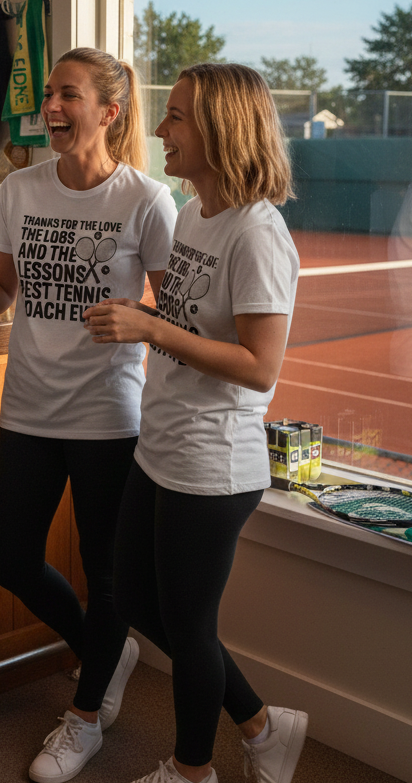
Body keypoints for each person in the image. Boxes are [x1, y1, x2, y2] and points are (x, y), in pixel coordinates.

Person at [0, 47, 177, 782]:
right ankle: (109, 649)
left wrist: (137, 314)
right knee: (12, 559)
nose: (54, 109)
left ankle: (85, 716)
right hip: (30, 409)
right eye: (52, 97)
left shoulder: (146, 200)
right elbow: (0, 291)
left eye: (71, 96)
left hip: (109, 414)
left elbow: (173, 310)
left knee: (108, 580)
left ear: (110, 110)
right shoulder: (21, 190)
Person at [83, 63, 308, 783]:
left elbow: (259, 365)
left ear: (219, 128)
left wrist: (150, 329)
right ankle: (266, 726)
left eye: (174, 117)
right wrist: (152, 322)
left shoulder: (258, 234)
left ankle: (191, 770)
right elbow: (186, 319)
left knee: (188, 629)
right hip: (162, 448)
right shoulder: (192, 214)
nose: (158, 130)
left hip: (214, 464)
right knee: (136, 600)